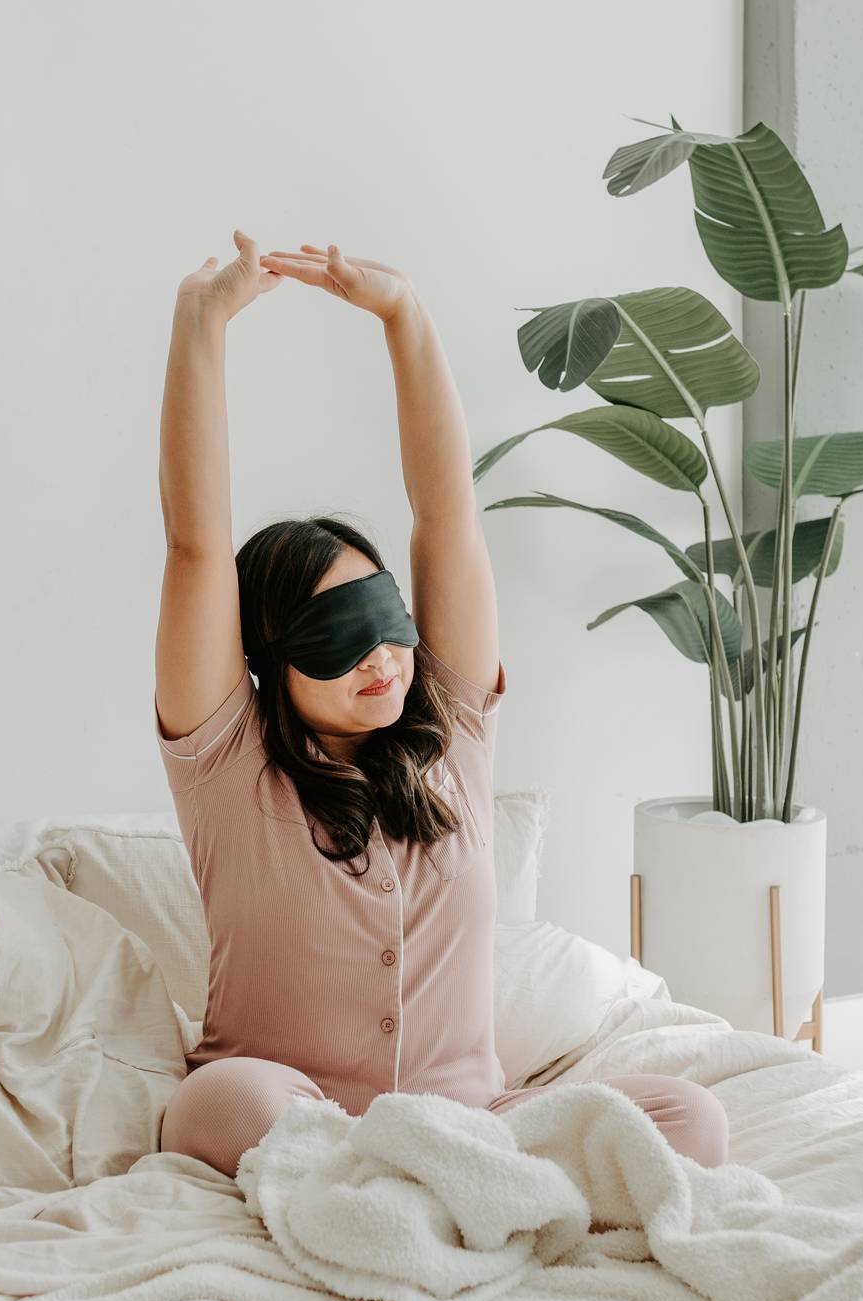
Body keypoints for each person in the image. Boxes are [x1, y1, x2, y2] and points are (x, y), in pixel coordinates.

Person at [151, 230, 727, 1179]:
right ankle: (416, 1190)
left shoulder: (448, 736)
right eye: (334, 636)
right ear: (266, 662)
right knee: (223, 1101)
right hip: (296, 1121)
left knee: (691, 1121)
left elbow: (447, 510)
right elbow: (195, 546)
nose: (379, 655)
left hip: (476, 1125)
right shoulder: (230, 771)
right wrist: (200, 324)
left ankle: (440, 1184)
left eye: (386, 618)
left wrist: (403, 315)